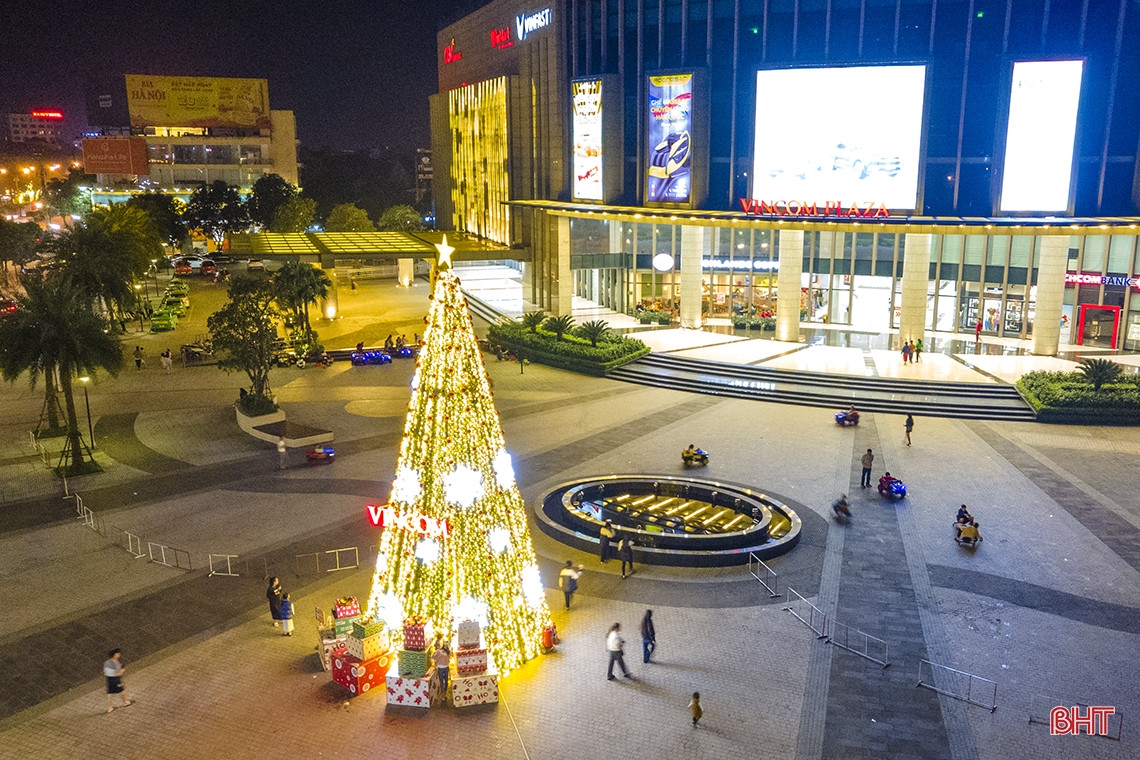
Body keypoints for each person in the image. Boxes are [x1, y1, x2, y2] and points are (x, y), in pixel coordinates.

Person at [104, 648, 131, 712]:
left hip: (109, 680)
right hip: (115, 680)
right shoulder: (114, 663)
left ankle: (109, 707)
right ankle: (125, 702)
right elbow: (116, 674)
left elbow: (107, 672)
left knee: (110, 693)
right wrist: (122, 671)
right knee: (122, 690)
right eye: (118, 653)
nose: (119, 654)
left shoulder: (107, 662)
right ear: (114, 655)